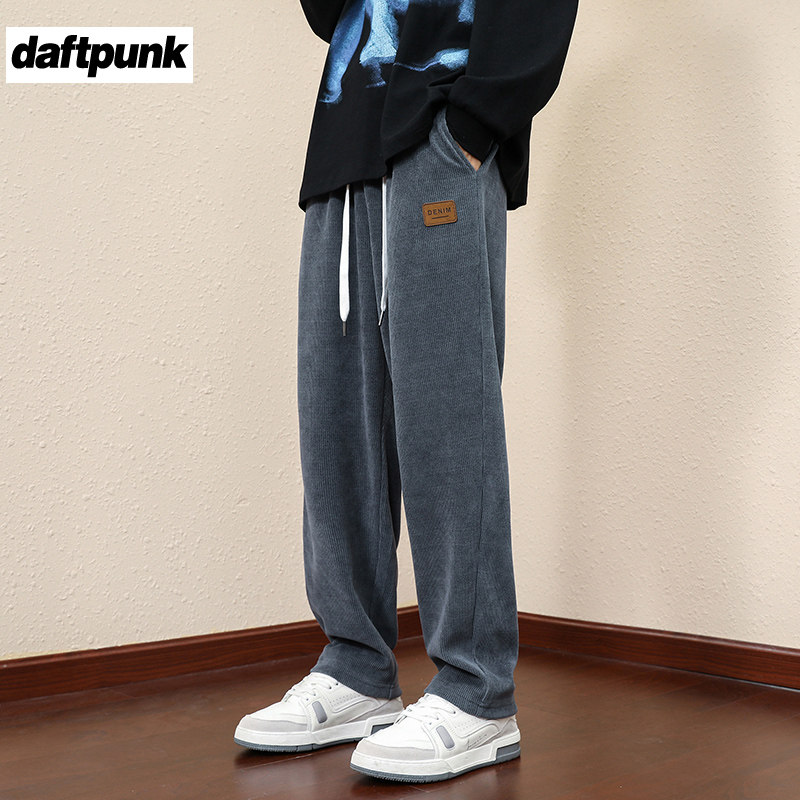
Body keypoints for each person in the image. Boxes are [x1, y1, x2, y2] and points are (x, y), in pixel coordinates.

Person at [234, 0, 579, 784]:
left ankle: (477, 689)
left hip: (440, 139)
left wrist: (473, 127)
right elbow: (330, 13)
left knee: (448, 416)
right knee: (335, 421)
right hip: (344, 147)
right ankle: (356, 665)